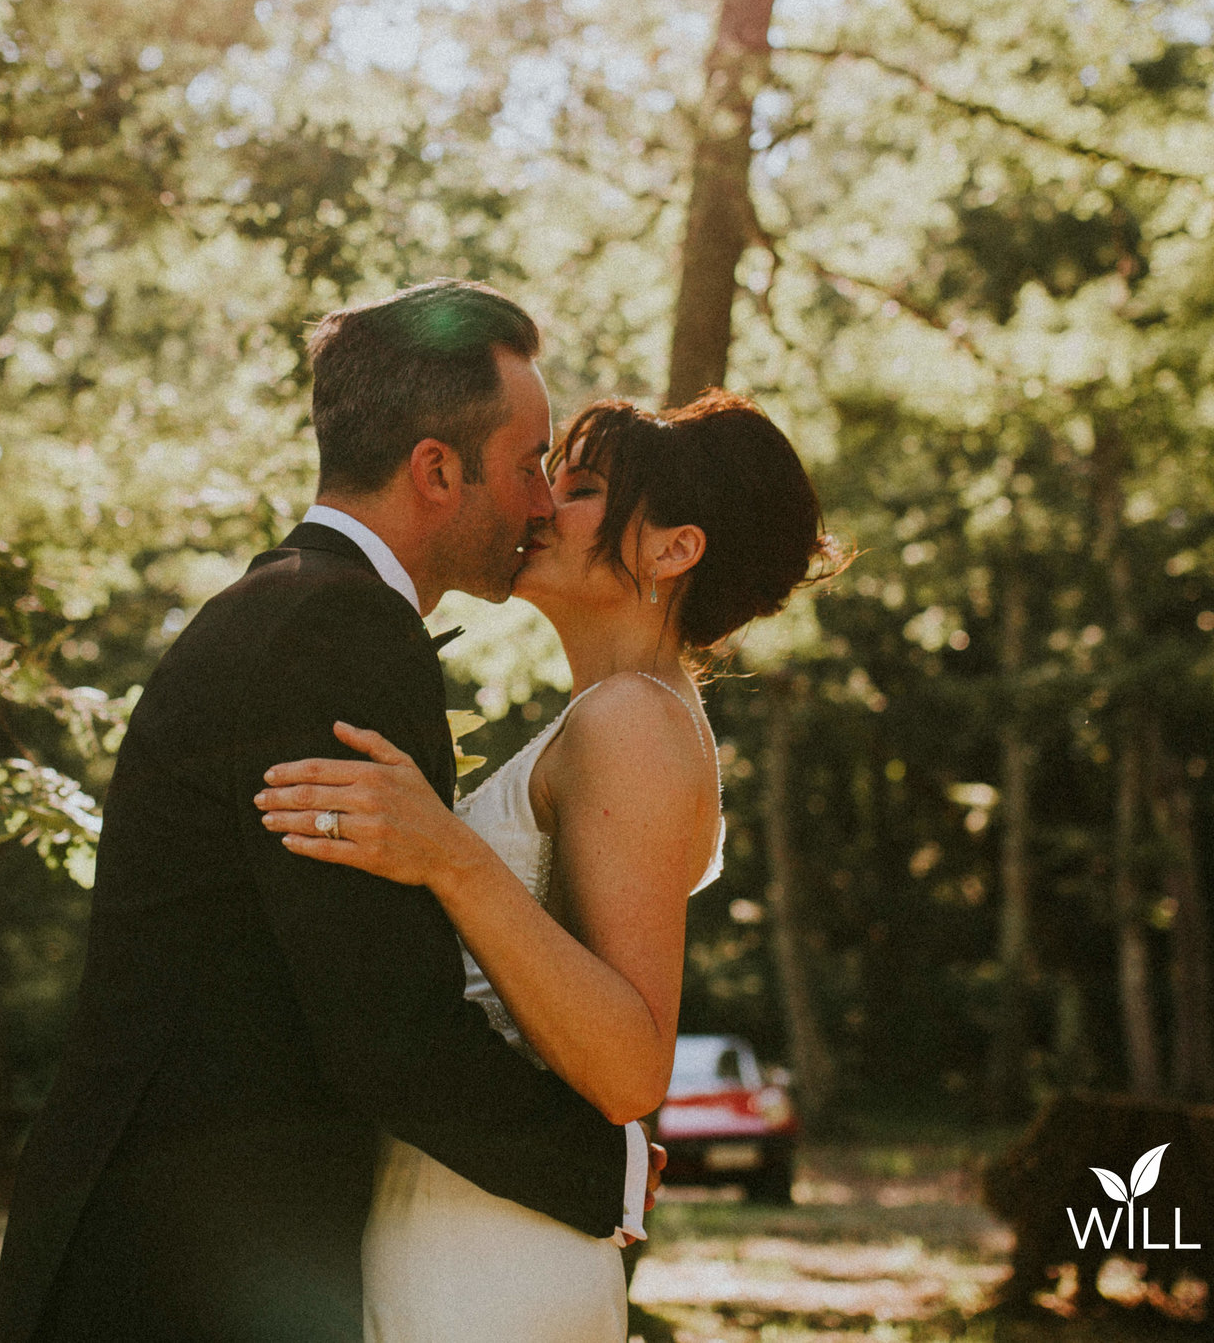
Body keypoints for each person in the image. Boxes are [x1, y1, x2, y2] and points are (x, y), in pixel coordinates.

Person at [0, 280, 642, 1343]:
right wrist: (605, 1158)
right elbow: (380, 1023)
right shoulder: (335, 631)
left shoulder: (287, 604)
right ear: (436, 468)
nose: (540, 501)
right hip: (178, 1277)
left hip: (168, 1252)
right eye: (528, 462)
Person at [257, 387, 830, 1343]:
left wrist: (446, 852)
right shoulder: (620, 714)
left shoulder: (633, 721)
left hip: (490, 1252)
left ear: (672, 548)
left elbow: (630, 1066)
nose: (537, 505)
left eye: (583, 488)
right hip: (463, 1201)